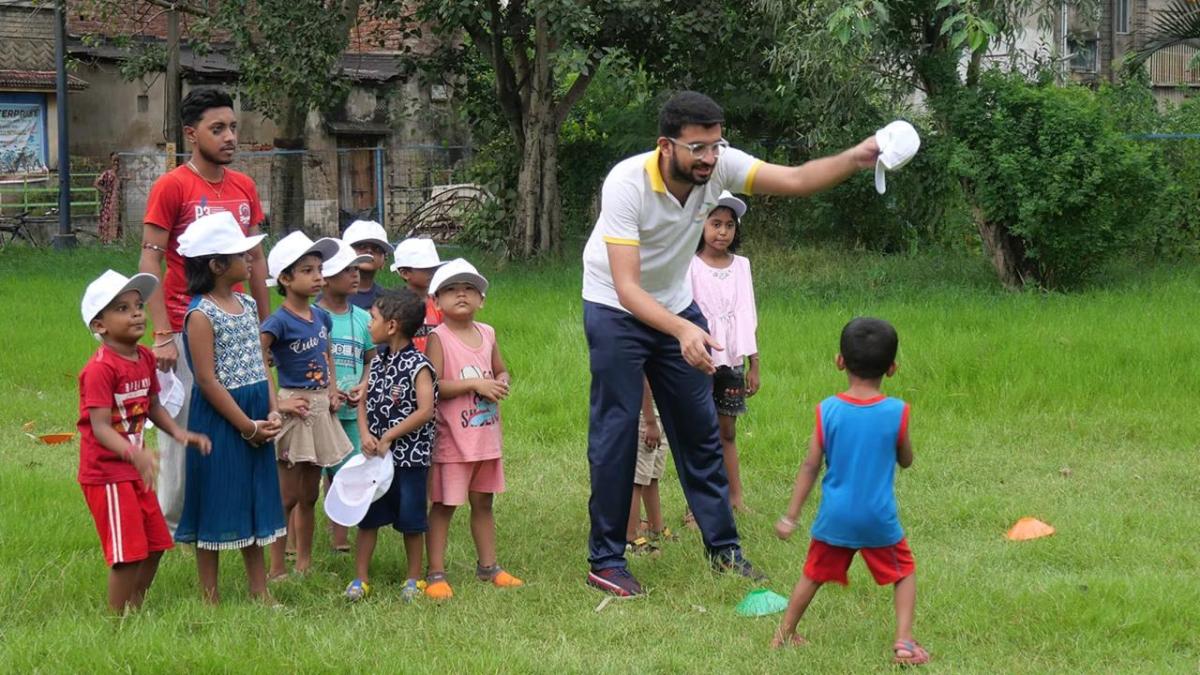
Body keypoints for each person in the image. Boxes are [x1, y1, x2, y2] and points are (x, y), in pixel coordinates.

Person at [581, 90, 880, 596]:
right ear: (666, 145)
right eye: (698, 147)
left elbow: (798, 179)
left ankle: (724, 550)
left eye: (716, 145)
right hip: (616, 305)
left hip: (674, 303)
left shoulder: (719, 169)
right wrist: (680, 329)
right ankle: (606, 560)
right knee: (615, 432)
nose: (710, 158)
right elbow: (629, 287)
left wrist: (857, 155)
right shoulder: (627, 183)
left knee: (699, 430)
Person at [139, 87, 272, 536]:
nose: (230, 136)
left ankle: (225, 518)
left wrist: (266, 328)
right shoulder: (172, 185)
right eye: (218, 129)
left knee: (236, 418)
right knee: (182, 428)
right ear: (191, 134)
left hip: (236, 325)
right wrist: (161, 333)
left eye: (233, 127)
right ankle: (172, 526)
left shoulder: (244, 187)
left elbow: (256, 261)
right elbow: (150, 259)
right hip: (184, 326)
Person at [772, 317, 928, 666]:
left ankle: (782, 635)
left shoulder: (827, 410)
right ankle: (903, 642)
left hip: (835, 517)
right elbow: (905, 459)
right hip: (877, 519)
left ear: (839, 360)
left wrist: (790, 516)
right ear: (892, 369)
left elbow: (810, 466)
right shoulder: (896, 412)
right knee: (903, 572)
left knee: (812, 574)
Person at [77, 270, 211, 613]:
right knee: (127, 552)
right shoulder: (100, 370)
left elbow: (151, 405)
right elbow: (100, 426)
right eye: (122, 308)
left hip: (136, 467)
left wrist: (179, 433)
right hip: (107, 473)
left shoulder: (146, 359)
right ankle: (117, 620)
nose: (137, 313)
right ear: (99, 325)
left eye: (138, 305)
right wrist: (132, 454)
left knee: (156, 542)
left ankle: (136, 603)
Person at [174, 212, 285, 605]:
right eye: (242, 254)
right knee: (217, 499)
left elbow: (260, 362)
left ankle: (260, 589)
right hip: (223, 420)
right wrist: (246, 426)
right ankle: (210, 594)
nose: (251, 259)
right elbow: (207, 380)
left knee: (253, 498)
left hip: (255, 411)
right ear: (218, 265)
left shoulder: (247, 303)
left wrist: (272, 411)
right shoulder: (201, 314)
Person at [423, 259, 524, 600]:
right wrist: (476, 385)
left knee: (484, 502)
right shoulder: (439, 337)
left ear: (481, 300)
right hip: (453, 439)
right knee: (444, 504)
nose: (461, 293)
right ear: (436, 302)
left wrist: (501, 381)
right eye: (451, 289)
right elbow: (433, 386)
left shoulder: (489, 333)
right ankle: (435, 572)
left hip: (485, 438)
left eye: (469, 288)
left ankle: (489, 566)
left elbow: (501, 370)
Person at [261, 232, 352, 579]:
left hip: (319, 409)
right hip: (293, 407)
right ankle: (277, 566)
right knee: (286, 495)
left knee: (310, 495)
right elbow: (260, 361)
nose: (318, 277)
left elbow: (326, 352)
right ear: (285, 278)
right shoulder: (277, 322)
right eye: (308, 270)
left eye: (320, 269)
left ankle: (305, 562)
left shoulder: (321, 317)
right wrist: (279, 403)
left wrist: (330, 389)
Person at [346, 289, 438, 602]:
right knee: (368, 518)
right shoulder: (378, 362)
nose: (368, 324)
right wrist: (365, 434)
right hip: (376, 461)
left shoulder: (419, 365)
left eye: (372, 318)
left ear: (392, 326)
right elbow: (362, 399)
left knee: (412, 520)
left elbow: (425, 410)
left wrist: (389, 436)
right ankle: (361, 578)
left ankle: (413, 578)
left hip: (410, 460)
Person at [689, 192, 759, 513]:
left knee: (727, 430)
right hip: (699, 359)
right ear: (700, 225)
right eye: (715, 223)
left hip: (731, 361)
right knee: (700, 431)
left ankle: (736, 498)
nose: (722, 232)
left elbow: (748, 313)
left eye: (729, 225)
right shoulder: (690, 266)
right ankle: (697, 506)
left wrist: (753, 364)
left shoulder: (742, 266)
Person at [316, 240, 376, 553]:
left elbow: (370, 359)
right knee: (311, 478)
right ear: (323, 276)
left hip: (353, 411)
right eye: (347, 269)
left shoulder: (364, 319)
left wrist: (364, 385)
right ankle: (297, 544)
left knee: (347, 473)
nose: (356, 275)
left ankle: (340, 538)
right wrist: (326, 390)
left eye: (357, 268)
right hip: (317, 411)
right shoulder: (311, 316)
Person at [625, 379, 674, 555]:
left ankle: (656, 526)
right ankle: (630, 537)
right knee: (636, 478)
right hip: (645, 413)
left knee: (652, 474)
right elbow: (642, 373)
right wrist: (649, 421)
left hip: (660, 410)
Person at [390, 238, 445, 352]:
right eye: (426, 269)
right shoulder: (395, 307)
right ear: (405, 273)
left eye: (434, 269)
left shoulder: (439, 304)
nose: (432, 273)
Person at [341, 220, 394, 311]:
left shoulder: (387, 299)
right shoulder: (333, 297)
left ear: (384, 260)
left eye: (377, 248)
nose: (369, 251)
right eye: (361, 246)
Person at [94, 153, 122, 244]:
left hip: (119, 202)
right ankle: (106, 240)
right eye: (114, 160)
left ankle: (115, 240)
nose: (116, 163)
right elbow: (96, 183)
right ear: (110, 161)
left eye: (118, 160)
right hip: (109, 202)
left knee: (117, 221)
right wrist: (105, 191)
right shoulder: (107, 174)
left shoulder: (120, 174)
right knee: (107, 220)